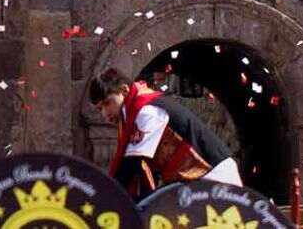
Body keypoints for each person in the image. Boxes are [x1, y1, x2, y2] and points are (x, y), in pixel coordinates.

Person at [88, 67, 243, 200]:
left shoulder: (148, 111)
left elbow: (134, 164)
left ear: (124, 90)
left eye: (107, 103)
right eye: (99, 108)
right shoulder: (133, 117)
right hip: (192, 182)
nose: (105, 113)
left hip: (213, 175)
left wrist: (105, 196)